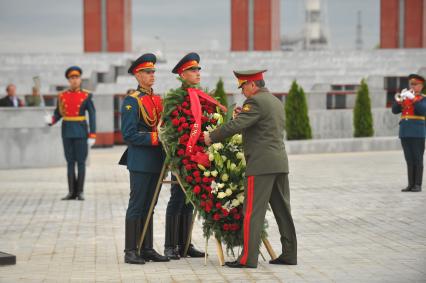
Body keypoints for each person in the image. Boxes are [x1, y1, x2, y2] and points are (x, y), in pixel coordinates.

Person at [204, 70, 297, 268]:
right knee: (283, 211)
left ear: (253, 84)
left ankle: (248, 259)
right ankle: (289, 254)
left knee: (253, 212)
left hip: (261, 165)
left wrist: (211, 137)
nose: (243, 92)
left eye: (244, 87)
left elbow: (236, 126)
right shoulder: (274, 101)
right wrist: (244, 116)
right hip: (279, 163)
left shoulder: (255, 102)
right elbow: (261, 126)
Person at [119, 53, 169, 264]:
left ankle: (147, 247)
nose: (152, 75)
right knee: (138, 204)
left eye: (153, 72)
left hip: (157, 160)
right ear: (138, 75)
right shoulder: (132, 102)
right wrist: (157, 137)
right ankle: (131, 249)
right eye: (148, 72)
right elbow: (128, 134)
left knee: (151, 204)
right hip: (140, 160)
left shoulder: (157, 99)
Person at [163, 52, 206, 260]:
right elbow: (171, 130)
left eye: (198, 69)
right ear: (182, 74)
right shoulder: (176, 99)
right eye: (192, 70)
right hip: (181, 157)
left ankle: (185, 244)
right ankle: (170, 245)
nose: (197, 73)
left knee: (191, 199)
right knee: (177, 198)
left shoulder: (200, 96)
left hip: (198, 157)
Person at [47, 66, 96, 201]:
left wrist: (93, 134)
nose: (74, 80)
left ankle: (80, 191)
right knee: (69, 163)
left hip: (81, 132)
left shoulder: (86, 95)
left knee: (80, 162)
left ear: (80, 79)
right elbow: (59, 113)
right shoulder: (62, 96)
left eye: (76, 78)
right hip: (67, 131)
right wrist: (51, 120)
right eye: (71, 78)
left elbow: (92, 115)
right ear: (69, 80)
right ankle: (71, 192)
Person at [392, 74, 426, 192]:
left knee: (417, 158)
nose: (412, 86)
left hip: (417, 133)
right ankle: (410, 184)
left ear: (421, 86)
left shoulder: (423, 98)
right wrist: (400, 98)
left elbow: (422, 111)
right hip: (405, 132)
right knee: (409, 159)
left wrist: (413, 98)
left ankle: (418, 184)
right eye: (411, 84)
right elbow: (394, 111)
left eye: (415, 84)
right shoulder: (405, 97)